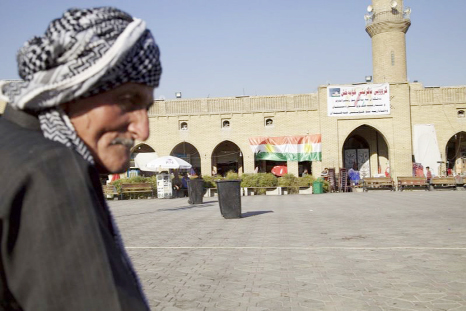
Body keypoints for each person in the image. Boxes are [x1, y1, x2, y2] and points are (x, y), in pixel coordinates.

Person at [0, 7, 162, 310]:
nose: (143, 129)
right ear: (71, 89)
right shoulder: (49, 170)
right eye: (128, 100)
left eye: (147, 108)